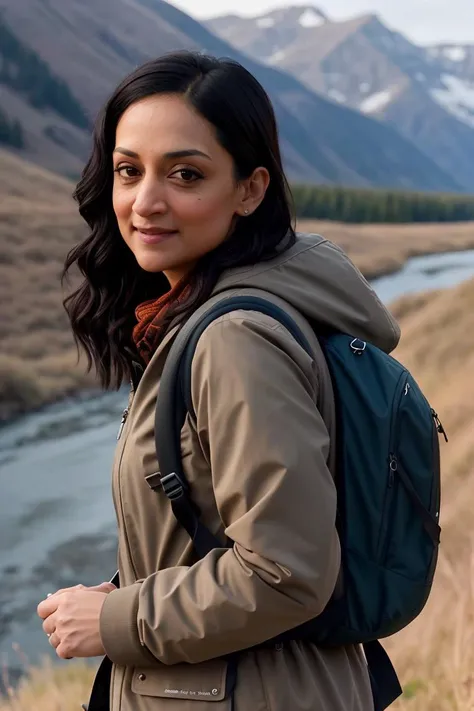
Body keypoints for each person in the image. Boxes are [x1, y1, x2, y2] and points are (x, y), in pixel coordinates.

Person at [37, 50, 400, 710]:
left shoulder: (235, 341)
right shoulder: (201, 320)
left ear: (250, 189)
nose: (145, 202)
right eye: (128, 170)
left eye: (185, 174)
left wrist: (113, 620)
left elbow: (287, 573)